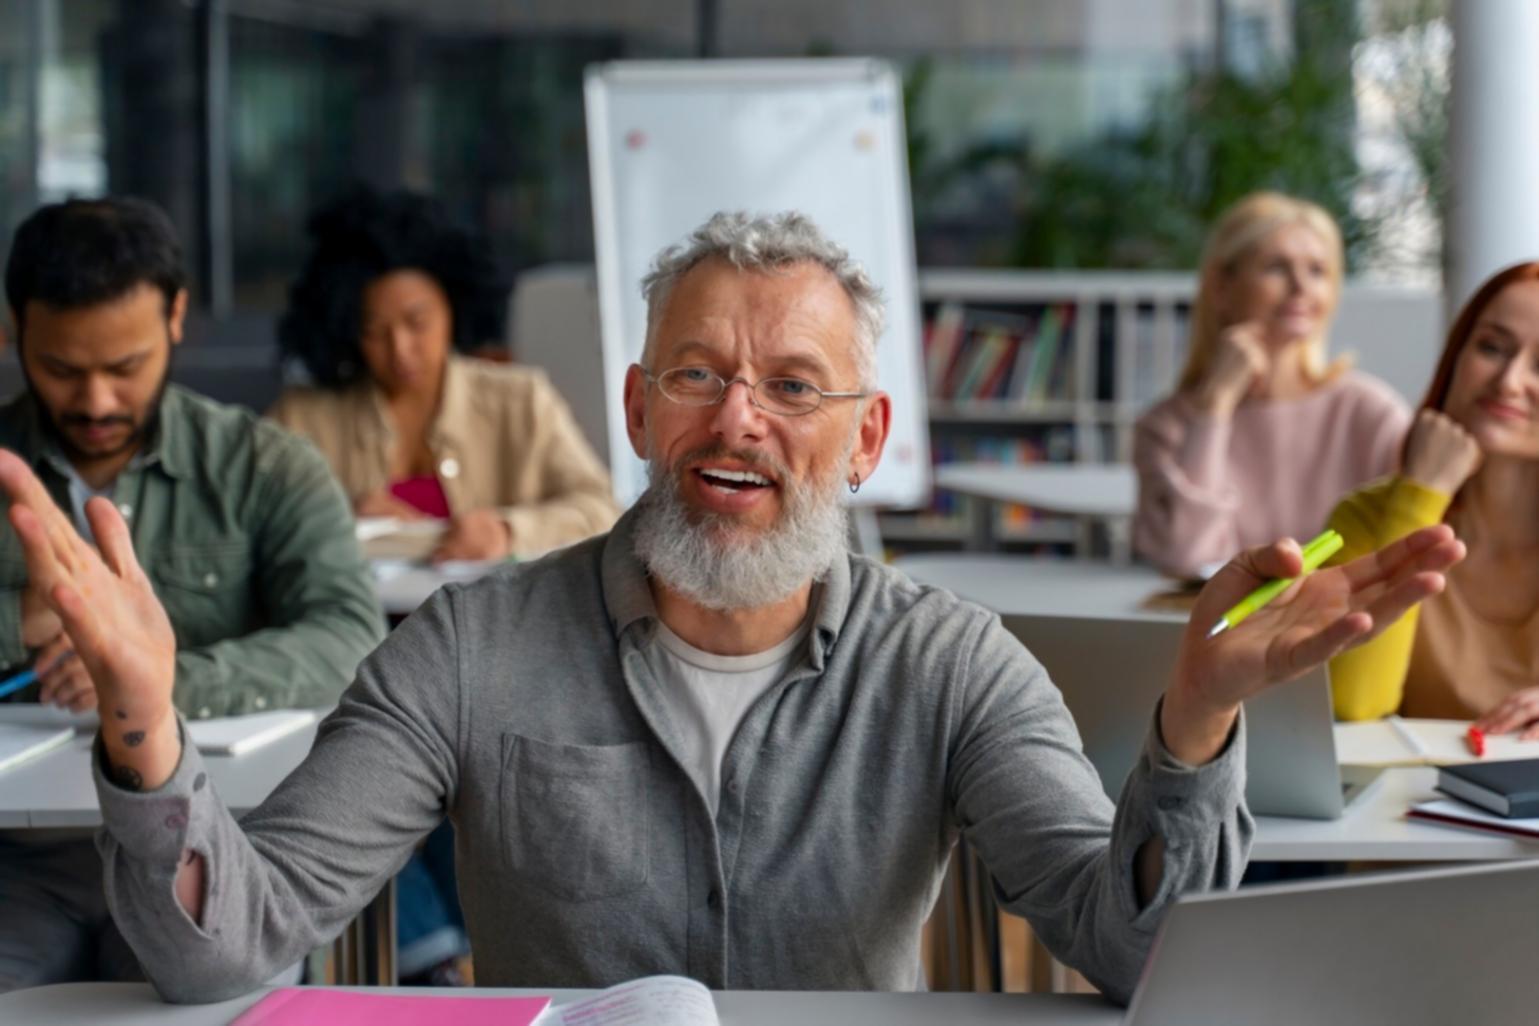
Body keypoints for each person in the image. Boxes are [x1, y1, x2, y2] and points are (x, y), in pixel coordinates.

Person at [3, 212, 1460, 1005]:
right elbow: (220, 946)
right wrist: (144, 727)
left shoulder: (948, 665)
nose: (738, 420)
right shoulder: (465, 646)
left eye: (792, 385)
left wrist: (1193, 722)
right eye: (695, 374)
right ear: (636, 407)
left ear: (866, 436)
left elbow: (1132, 952)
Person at [0, 197, 384, 991]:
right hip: (17, 863)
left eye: (125, 367)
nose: (98, 401)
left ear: (177, 317)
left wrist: (154, 680)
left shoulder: (262, 466)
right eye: (64, 370)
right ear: (12, 331)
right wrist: (19, 622)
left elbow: (350, 633)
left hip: (209, 851)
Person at [268, 187, 619, 561]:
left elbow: (601, 508)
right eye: (374, 331)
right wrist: (330, 523)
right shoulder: (304, 417)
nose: (400, 349)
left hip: (493, 618)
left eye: (417, 323)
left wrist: (508, 530)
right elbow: (249, 526)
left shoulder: (520, 401)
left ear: (454, 308)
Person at [1134, 192, 1411, 578]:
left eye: (1317, 270)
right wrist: (1215, 406)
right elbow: (1187, 558)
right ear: (1221, 287)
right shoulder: (1164, 427)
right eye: (1277, 268)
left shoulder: (1372, 413)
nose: (1301, 287)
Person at [1328, 262, 1539, 730]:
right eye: (1491, 347)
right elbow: (1354, 706)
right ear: (1455, 359)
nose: (1509, 381)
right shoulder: (1367, 516)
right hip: (1409, 799)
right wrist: (1421, 499)